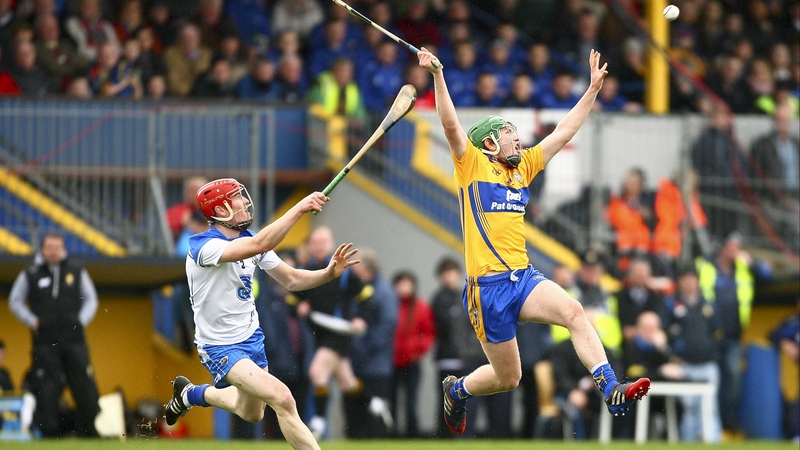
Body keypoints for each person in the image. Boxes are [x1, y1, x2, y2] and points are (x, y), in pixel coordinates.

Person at [416, 46, 650, 435]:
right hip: (486, 289)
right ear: (489, 144)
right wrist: (439, 75)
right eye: (507, 134)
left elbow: (564, 131)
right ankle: (457, 391)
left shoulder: (523, 167)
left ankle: (610, 388)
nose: (516, 139)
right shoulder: (471, 165)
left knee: (575, 312)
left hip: (522, 279)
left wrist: (592, 90)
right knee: (509, 377)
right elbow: (452, 127)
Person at [162, 178, 360, 450]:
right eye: (237, 198)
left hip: (251, 338)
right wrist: (300, 208)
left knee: (252, 413)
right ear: (220, 211)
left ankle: (191, 394)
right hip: (220, 346)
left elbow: (290, 279)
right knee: (283, 398)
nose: (245, 202)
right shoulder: (203, 247)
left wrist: (328, 273)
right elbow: (259, 245)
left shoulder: (251, 239)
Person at [8, 232, 101, 437]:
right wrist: (32, 321)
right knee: (46, 388)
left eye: (57, 247)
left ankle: (89, 430)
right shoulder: (30, 273)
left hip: (74, 341)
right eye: (49, 247)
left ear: (63, 249)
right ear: (42, 249)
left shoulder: (76, 271)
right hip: (44, 342)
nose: (53, 251)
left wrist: (80, 322)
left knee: (84, 383)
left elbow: (91, 299)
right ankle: (48, 432)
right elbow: (15, 301)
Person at [285, 226, 373, 440]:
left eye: (323, 242)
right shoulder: (305, 269)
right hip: (319, 335)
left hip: (339, 333)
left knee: (316, 373)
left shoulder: (343, 271)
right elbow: (292, 301)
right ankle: (375, 405)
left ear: (331, 244)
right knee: (347, 383)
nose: (318, 246)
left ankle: (318, 422)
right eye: (315, 242)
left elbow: (367, 297)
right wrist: (299, 308)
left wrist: (361, 318)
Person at [346, 249, 398, 439]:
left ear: (367, 270)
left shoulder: (384, 293)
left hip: (376, 366)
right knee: (353, 416)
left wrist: (360, 348)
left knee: (374, 419)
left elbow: (386, 327)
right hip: (355, 363)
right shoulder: (355, 290)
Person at [391, 270, 436, 438]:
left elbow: (428, 333)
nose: (404, 288)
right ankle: (392, 434)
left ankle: (412, 435)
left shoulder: (421, 307)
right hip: (392, 361)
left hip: (412, 361)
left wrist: (417, 351)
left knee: (411, 400)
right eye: (401, 284)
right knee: (392, 400)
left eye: (408, 284)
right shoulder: (391, 305)